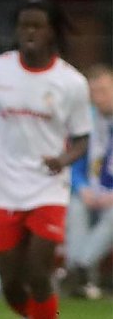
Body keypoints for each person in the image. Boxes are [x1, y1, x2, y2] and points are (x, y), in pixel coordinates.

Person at [0, 0, 92, 319]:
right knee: (9, 284)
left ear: (53, 30)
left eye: (37, 26)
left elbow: (83, 139)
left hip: (48, 189)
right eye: (24, 26)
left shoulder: (71, 83)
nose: (30, 34)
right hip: (5, 189)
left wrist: (64, 160)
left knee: (39, 271)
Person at [64, 64, 113, 299]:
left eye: (103, 91)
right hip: (89, 191)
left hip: (111, 195)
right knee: (75, 208)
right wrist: (82, 188)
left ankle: (79, 267)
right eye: (93, 93)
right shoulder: (86, 122)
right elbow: (74, 162)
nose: (98, 98)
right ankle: (81, 273)